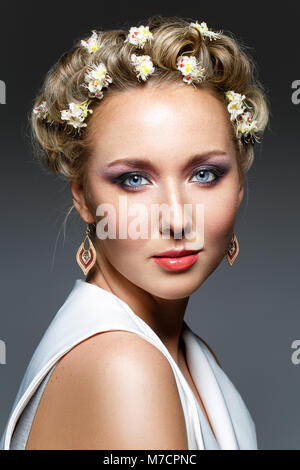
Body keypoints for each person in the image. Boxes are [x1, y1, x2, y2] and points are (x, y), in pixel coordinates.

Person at [0, 14, 269, 450]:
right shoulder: (124, 365)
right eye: (133, 179)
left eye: (204, 174)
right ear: (83, 197)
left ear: (239, 185)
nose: (177, 219)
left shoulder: (183, 352)